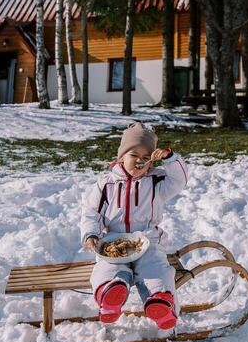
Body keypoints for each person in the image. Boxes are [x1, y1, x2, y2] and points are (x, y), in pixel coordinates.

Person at [80, 122, 188, 328]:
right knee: (107, 268)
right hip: (114, 243)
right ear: (121, 157)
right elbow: (91, 213)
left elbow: (180, 179)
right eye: (133, 155)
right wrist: (91, 234)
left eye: (146, 157)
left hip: (148, 241)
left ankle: (161, 303)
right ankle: (109, 297)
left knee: (155, 268)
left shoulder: (157, 182)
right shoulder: (106, 184)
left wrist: (169, 158)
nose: (140, 161)